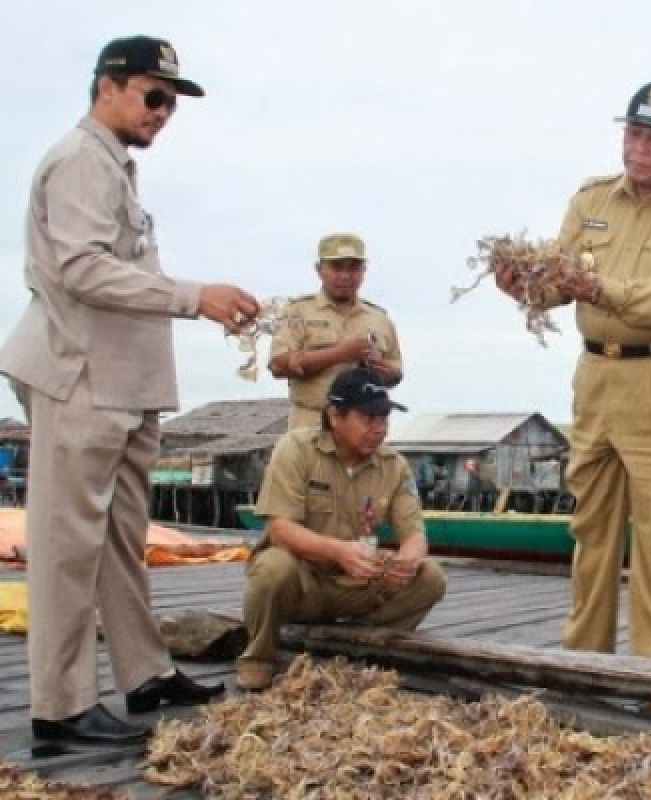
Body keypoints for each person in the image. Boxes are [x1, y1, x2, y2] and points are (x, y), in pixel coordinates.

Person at [0, 36, 259, 745]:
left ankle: (143, 674)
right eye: (153, 95)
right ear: (108, 86)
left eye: (171, 103)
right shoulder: (80, 159)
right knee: (66, 545)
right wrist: (193, 296)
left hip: (122, 386)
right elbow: (83, 271)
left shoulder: (114, 169)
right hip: (79, 377)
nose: (163, 112)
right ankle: (60, 705)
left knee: (119, 537)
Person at [495, 81, 651, 662]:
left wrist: (601, 287)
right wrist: (524, 285)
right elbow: (558, 283)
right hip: (598, 378)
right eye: (632, 134)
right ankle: (586, 662)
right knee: (591, 532)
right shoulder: (591, 199)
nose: (638, 149)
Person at [236, 367, 447, 691]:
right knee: (272, 567)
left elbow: (414, 535)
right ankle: (259, 657)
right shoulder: (295, 449)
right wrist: (338, 551)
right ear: (335, 416)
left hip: (357, 585)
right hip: (304, 584)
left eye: (384, 419)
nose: (379, 429)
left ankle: (361, 645)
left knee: (430, 577)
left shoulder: (395, 466)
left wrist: (406, 563)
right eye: (369, 418)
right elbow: (280, 530)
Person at [269, 233, 403, 430]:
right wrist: (339, 354)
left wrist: (385, 371)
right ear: (319, 270)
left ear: (364, 271)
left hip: (363, 429)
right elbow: (278, 365)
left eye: (354, 268)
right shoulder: (297, 312)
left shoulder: (380, 319)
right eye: (337, 267)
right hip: (312, 424)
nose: (345, 276)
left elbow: (396, 371)